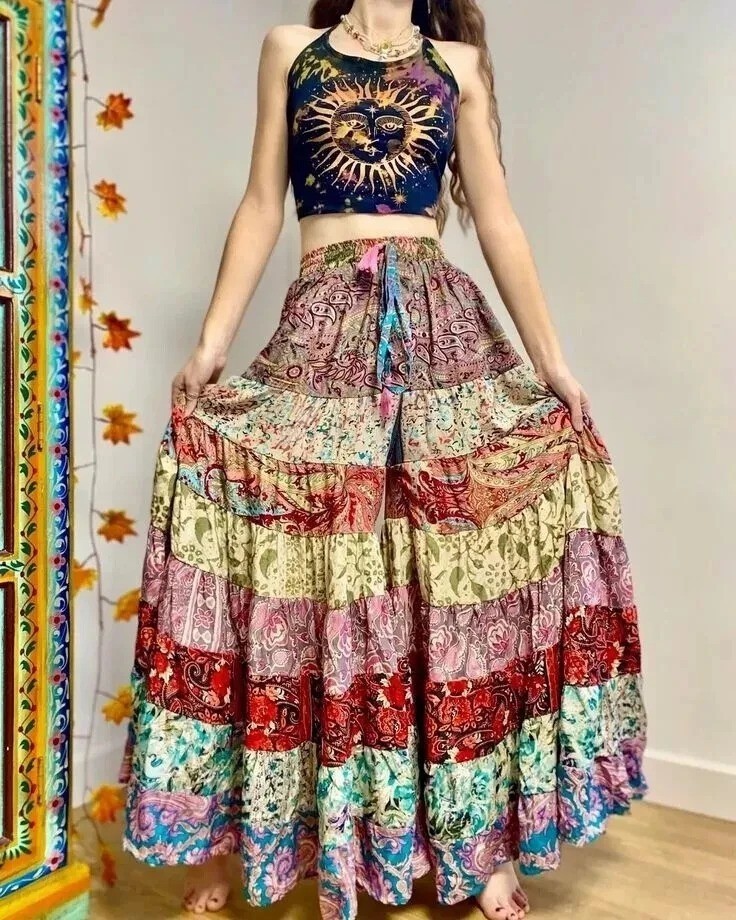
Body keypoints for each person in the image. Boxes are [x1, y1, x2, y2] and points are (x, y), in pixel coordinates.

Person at [120, 1, 647, 918]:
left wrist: (554, 365)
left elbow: (498, 220)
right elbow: (262, 202)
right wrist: (210, 345)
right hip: (324, 328)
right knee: (307, 568)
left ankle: (482, 846)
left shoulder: (456, 65)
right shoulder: (292, 50)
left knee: (455, 578)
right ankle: (242, 835)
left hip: (442, 330)